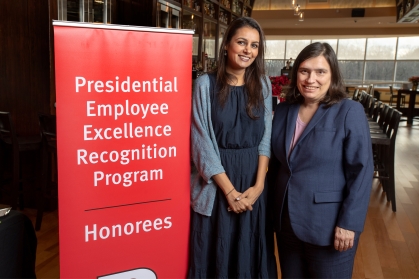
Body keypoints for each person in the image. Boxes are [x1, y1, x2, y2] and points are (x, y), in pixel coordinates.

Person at [268, 42, 373, 278]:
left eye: (320, 72)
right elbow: (277, 165)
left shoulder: (349, 111)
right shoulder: (285, 110)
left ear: (332, 75)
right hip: (286, 223)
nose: (310, 79)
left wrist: (349, 223)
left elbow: (362, 171)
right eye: (304, 71)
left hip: (328, 225)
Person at [188, 17, 277, 278]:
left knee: (249, 252)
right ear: (226, 44)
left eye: (254, 45)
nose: (248, 50)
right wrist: (230, 193)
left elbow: (265, 138)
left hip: (252, 184)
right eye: (241, 42)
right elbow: (200, 142)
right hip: (217, 187)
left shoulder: (263, 85)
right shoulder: (205, 84)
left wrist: (259, 185)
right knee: (216, 252)